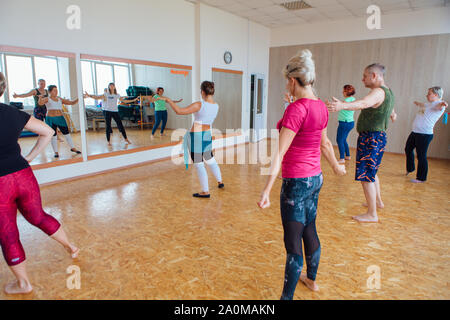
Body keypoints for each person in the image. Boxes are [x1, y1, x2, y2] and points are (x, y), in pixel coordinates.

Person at [257, 50, 346, 300]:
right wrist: (336, 168)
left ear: (293, 81)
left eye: (288, 81)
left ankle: (286, 298)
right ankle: (312, 280)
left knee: (293, 242)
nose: (288, 85)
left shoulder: (296, 110)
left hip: (296, 183)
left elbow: (279, 154)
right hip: (315, 179)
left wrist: (266, 191)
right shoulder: (320, 107)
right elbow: (325, 144)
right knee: (310, 229)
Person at [0, 72, 78, 294]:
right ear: (3, 89)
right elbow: (47, 131)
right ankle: (70, 246)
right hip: (23, 175)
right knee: (38, 216)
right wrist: (29, 158)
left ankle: (24, 284)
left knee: (8, 233)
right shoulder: (12, 113)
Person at [327, 63, 397, 223]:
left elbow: (364, 103)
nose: (362, 79)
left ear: (374, 76)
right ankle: (377, 202)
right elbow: (391, 109)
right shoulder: (388, 92)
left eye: (365, 76)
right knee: (372, 173)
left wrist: (341, 105)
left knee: (366, 176)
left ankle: (372, 214)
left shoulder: (378, 92)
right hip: (377, 137)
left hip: (371, 139)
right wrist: (392, 114)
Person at [158, 81, 224, 198]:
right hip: (207, 135)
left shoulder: (200, 105)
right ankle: (220, 181)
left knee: (199, 164)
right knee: (210, 159)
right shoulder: (216, 106)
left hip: (196, 136)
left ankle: (205, 191)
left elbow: (179, 111)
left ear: (203, 92)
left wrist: (169, 100)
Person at [405, 87, 448, 183]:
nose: (427, 95)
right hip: (415, 132)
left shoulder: (438, 105)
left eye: (429, 94)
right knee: (408, 149)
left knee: (421, 156)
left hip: (424, 135)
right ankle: (410, 168)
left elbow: (441, 106)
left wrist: (444, 103)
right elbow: (423, 104)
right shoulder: (429, 104)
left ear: (436, 95)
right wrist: (417, 103)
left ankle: (421, 178)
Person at [38, 85, 82, 158]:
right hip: (51, 119)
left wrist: (79, 98)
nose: (56, 92)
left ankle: (73, 148)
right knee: (54, 136)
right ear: (50, 92)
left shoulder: (59, 99)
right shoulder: (47, 99)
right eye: (54, 90)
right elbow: (40, 103)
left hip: (60, 118)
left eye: (56, 90)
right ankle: (56, 152)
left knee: (67, 134)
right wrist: (40, 98)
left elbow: (71, 103)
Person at [336, 85, 356, 163]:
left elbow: (340, 105)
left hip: (344, 123)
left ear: (347, 92)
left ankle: (342, 158)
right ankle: (347, 155)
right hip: (350, 123)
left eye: (343, 91)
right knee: (343, 139)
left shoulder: (346, 101)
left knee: (339, 140)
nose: (342, 92)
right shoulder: (352, 99)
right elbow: (341, 103)